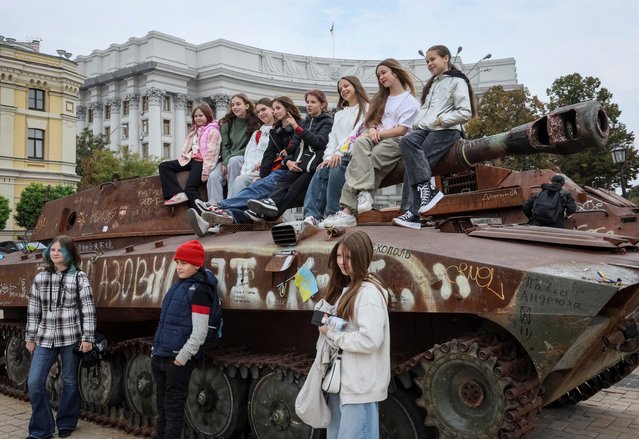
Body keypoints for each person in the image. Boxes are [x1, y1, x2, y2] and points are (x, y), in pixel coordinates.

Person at [323, 59, 420, 228]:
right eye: (378, 75)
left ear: (395, 72)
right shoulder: (380, 98)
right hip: (374, 136)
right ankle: (364, 194)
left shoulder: (409, 100)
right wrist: (373, 128)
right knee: (359, 145)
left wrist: (378, 132)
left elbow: (402, 130)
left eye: (384, 73)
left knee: (368, 161)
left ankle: (348, 211)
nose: (381, 77)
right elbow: (371, 120)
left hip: (395, 140)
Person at [185, 96, 303, 235]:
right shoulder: (274, 131)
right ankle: (218, 218)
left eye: (273, 109)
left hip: (286, 172)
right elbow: (268, 155)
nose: (263, 113)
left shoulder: (297, 127)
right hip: (267, 171)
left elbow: (292, 151)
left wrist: (281, 163)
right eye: (259, 111)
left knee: (251, 186)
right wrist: (263, 174)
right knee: (242, 182)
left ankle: (219, 207)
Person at [393, 45, 476, 229]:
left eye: (433, 59)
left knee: (414, 164)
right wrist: (418, 124)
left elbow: (465, 112)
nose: (429, 64)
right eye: (427, 61)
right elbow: (425, 110)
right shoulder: (433, 84)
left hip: (446, 129)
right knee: (407, 142)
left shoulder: (458, 81)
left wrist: (441, 121)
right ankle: (426, 191)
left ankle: (412, 213)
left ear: (446, 58)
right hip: (426, 129)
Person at [319, 230, 390, 439]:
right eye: (340, 256)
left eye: (348, 257)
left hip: (360, 388)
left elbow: (370, 340)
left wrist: (332, 334)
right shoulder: (351, 288)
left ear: (362, 257)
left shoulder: (368, 294)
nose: (342, 262)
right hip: (346, 384)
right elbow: (353, 329)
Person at [25, 235, 96, 439]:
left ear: (69, 254)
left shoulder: (79, 278)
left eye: (60, 250)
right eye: (53, 250)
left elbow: (88, 309)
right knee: (35, 382)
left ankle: (66, 421)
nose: (56, 253)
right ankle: (42, 428)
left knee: (69, 381)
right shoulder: (41, 278)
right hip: (44, 337)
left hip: (70, 337)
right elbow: (33, 310)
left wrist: (88, 337)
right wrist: (30, 338)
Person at [151, 240, 217, 439]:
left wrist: (181, 359)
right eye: (177, 262)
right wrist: (155, 351)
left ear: (197, 265)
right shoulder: (177, 286)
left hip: (177, 361)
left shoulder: (200, 291)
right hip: (162, 356)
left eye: (184, 263)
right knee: (161, 408)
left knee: (173, 411)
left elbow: (199, 332)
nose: (179, 267)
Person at [247, 89, 333, 220]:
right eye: (307, 102)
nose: (309, 105)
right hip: (300, 161)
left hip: (312, 166)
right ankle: (269, 203)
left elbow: (318, 143)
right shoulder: (306, 122)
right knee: (284, 180)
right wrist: (287, 153)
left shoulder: (327, 121)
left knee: (293, 189)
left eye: (313, 102)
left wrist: (297, 128)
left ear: (322, 104)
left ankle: (270, 216)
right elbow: (295, 142)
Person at [302, 76, 370, 226]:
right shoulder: (339, 114)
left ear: (356, 86)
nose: (343, 90)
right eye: (340, 89)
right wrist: (328, 157)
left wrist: (338, 154)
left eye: (346, 86)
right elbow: (332, 138)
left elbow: (357, 134)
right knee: (322, 168)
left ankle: (333, 213)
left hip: (355, 154)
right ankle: (311, 215)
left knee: (337, 165)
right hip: (337, 155)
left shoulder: (367, 108)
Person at [159, 103, 221, 209]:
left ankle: (202, 213)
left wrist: (206, 172)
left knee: (190, 189)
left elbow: (212, 153)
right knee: (164, 166)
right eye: (195, 116)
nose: (197, 118)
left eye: (200, 115)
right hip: (190, 158)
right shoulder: (195, 131)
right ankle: (177, 193)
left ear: (208, 115)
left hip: (201, 161)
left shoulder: (213, 131)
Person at [207, 94, 261, 203]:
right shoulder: (228, 122)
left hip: (244, 158)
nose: (235, 107)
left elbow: (250, 148)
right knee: (213, 176)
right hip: (227, 158)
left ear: (246, 106)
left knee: (234, 161)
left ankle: (231, 202)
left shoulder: (256, 123)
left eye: (238, 104)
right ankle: (214, 205)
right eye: (232, 105)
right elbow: (225, 145)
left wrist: (229, 159)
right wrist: (225, 161)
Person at [228, 98, 275, 197]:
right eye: (258, 112)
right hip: (254, 172)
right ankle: (226, 208)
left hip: (270, 171)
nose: (261, 113)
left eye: (263, 109)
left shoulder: (280, 130)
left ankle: (227, 208)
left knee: (240, 180)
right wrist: (246, 175)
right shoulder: (257, 133)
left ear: (272, 109)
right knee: (240, 180)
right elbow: (249, 158)